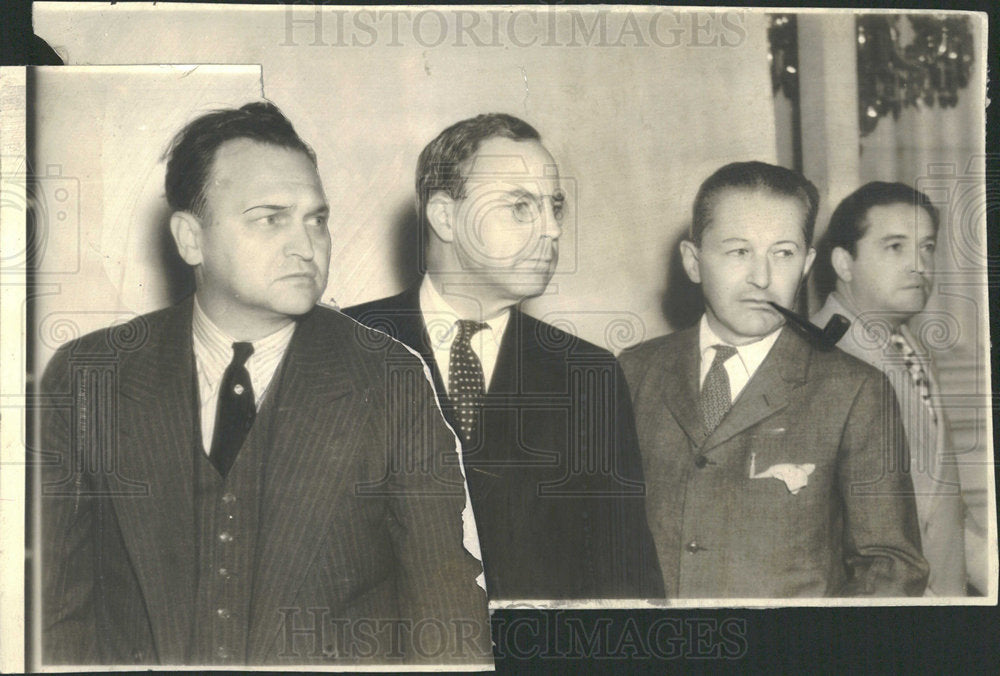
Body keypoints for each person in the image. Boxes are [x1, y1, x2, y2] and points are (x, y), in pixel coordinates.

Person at [38, 102, 491, 666]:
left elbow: (448, 618)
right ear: (190, 238)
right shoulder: (88, 379)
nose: (306, 245)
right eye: (270, 217)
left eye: (317, 219)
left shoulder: (390, 378)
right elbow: (50, 619)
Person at [344, 113, 662, 600]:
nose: (552, 229)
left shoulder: (588, 375)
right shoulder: (341, 347)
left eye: (555, 206)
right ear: (445, 216)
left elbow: (627, 584)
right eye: (520, 206)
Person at [619, 161, 928, 598]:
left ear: (806, 264)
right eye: (738, 251)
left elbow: (892, 569)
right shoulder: (634, 372)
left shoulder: (855, 391)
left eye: (783, 253)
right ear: (693, 261)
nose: (762, 278)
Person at [811, 181, 978, 596]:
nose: (919, 265)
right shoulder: (813, 357)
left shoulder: (910, 349)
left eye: (927, 247)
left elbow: (939, 505)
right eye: (895, 247)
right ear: (844, 263)